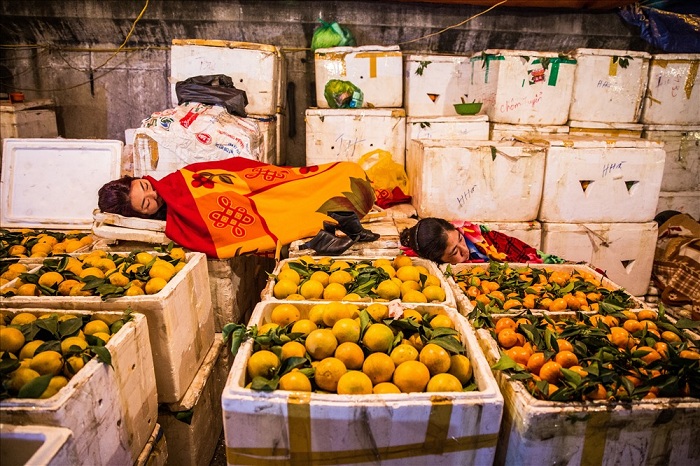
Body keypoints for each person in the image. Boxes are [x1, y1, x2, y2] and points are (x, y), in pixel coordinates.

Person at [98, 157, 379, 259]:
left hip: (261, 190)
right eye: (146, 205)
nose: (155, 196)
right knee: (301, 214)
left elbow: (230, 170)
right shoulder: (175, 224)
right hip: (261, 211)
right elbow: (212, 231)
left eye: (146, 186)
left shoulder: (177, 181)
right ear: (137, 216)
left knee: (345, 172)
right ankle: (329, 220)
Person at [399, 217, 562, 265]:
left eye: (460, 240)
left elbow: (521, 251)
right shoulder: (431, 264)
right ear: (438, 260)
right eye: (455, 252)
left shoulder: (473, 233)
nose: (465, 250)